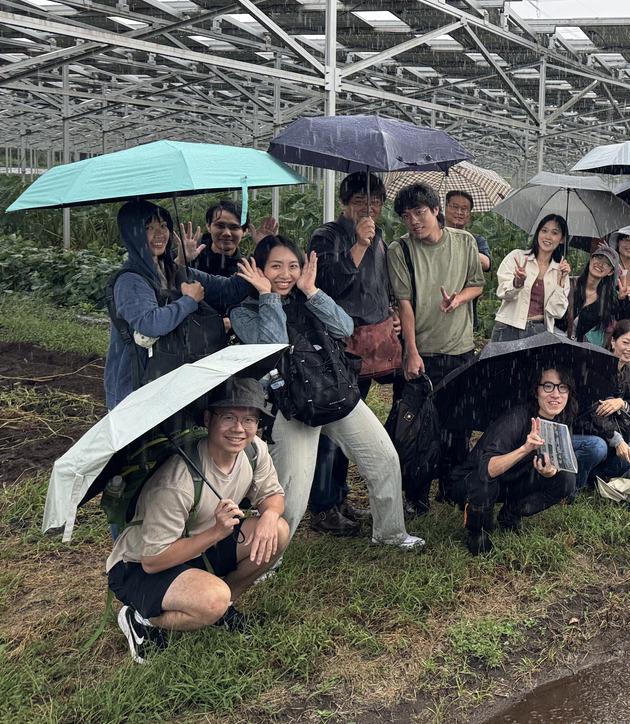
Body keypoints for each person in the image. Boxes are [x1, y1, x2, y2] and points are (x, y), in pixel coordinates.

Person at [231, 235, 422, 549]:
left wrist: (311, 290)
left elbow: (345, 328)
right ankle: (268, 560)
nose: (285, 274)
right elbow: (273, 345)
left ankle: (391, 534)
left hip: (334, 392)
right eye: (275, 266)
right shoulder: (244, 311)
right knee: (292, 490)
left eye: (293, 266)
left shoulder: (308, 298)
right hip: (293, 406)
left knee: (383, 458)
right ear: (260, 269)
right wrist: (268, 298)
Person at [107, 376, 288, 664]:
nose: (239, 429)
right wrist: (216, 533)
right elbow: (152, 559)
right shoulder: (178, 479)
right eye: (228, 417)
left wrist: (269, 514)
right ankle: (141, 618)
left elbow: (272, 495)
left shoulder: (254, 451)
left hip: (197, 546)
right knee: (211, 599)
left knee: (277, 530)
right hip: (139, 565)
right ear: (208, 419)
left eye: (250, 420)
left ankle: (222, 608)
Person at [304, 172, 397, 537]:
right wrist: (358, 245)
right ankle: (322, 507)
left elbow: (379, 286)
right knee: (332, 427)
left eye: (374, 201)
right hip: (337, 346)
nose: (368, 207)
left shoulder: (380, 238)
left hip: (370, 347)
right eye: (359, 200)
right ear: (344, 204)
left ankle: (339, 496)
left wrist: (391, 316)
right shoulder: (327, 236)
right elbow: (325, 286)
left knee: (351, 423)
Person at [388, 183, 484, 507]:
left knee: (458, 425)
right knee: (414, 428)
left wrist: (459, 299)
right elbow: (405, 304)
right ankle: (416, 495)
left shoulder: (465, 242)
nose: (413, 221)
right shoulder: (399, 250)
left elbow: (475, 285)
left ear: (435, 210)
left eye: (419, 212)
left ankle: (451, 487)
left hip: (460, 348)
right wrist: (411, 351)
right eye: (406, 216)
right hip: (423, 353)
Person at [104, 200, 245, 410]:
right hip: (134, 387)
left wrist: (266, 251)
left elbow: (228, 289)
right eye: (148, 228)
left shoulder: (172, 269)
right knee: (140, 442)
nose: (159, 233)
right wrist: (189, 301)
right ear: (132, 234)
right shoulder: (131, 280)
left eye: (163, 225)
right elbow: (150, 323)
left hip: (165, 379)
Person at [462, 366, 578, 555]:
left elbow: (561, 461)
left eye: (562, 387)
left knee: (567, 479)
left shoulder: (563, 418)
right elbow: (486, 469)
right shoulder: (517, 417)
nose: (556, 394)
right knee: (484, 485)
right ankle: (478, 531)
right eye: (548, 386)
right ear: (536, 390)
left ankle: (510, 515)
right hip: (475, 481)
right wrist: (525, 449)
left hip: (513, 478)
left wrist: (551, 471)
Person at [572, 320, 630, 492]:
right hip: (587, 432)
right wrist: (617, 440)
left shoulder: (628, 373)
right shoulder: (597, 366)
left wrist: (621, 404)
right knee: (597, 447)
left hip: (612, 436)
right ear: (613, 342)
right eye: (625, 342)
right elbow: (594, 412)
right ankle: (573, 486)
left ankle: (593, 476)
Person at [491, 213, 571, 342]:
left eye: (555, 233)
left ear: (562, 239)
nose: (548, 237)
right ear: (538, 233)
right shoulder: (517, 257)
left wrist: (560, 282)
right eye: (544, 230)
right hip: (507, 327)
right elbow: (502, 293)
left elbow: (556, 312)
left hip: (538, 331)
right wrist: (517, 283)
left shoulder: (561, 271)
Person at [183, 200, 277, 279]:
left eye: (234, 227)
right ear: (209, 227)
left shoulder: (243, 266)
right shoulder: (189, 255)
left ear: (244, 231)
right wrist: (181, 261)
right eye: (220, 226)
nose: (227, 233)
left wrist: (262, 247)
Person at [444, 190, 492, 328]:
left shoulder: (476, 240)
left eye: (464, 209)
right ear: (445, 208)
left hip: (466, 308)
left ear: (469, 214)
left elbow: (486, 263)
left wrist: (461, 246)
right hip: (435, 304)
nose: (459, 212)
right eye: (455, 207)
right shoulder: (435, 237)